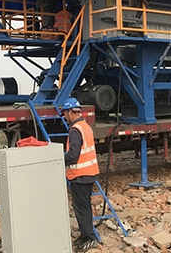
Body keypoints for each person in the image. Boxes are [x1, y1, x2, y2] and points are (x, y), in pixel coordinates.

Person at [61, 98, 100, 252]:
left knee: (81, 208)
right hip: (89, 173)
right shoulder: (85, 126)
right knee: (85, 207)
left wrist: (58, 158)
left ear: (71, 112)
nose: (65, 117)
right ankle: (86, 235)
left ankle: (89, 238)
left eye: (65, 114)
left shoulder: (75, 130)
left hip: (80, 175)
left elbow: (73, 156)